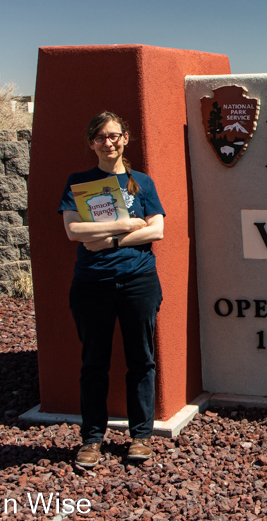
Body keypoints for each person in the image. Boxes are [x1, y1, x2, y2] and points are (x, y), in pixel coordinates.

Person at [58, 112, 165, 468]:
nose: (109, 142)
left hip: (139, 281)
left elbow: (156, 231)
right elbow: (74, 232)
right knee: (94, 363)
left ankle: (141, 437)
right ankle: (91, 440)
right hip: (93, 284)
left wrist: (109, 239)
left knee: (142, 360)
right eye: (101, 137)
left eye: (115, 136)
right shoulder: (80, 182)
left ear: (126, 139)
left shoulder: (142, 182)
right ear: (92, 143)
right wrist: (126, 223)